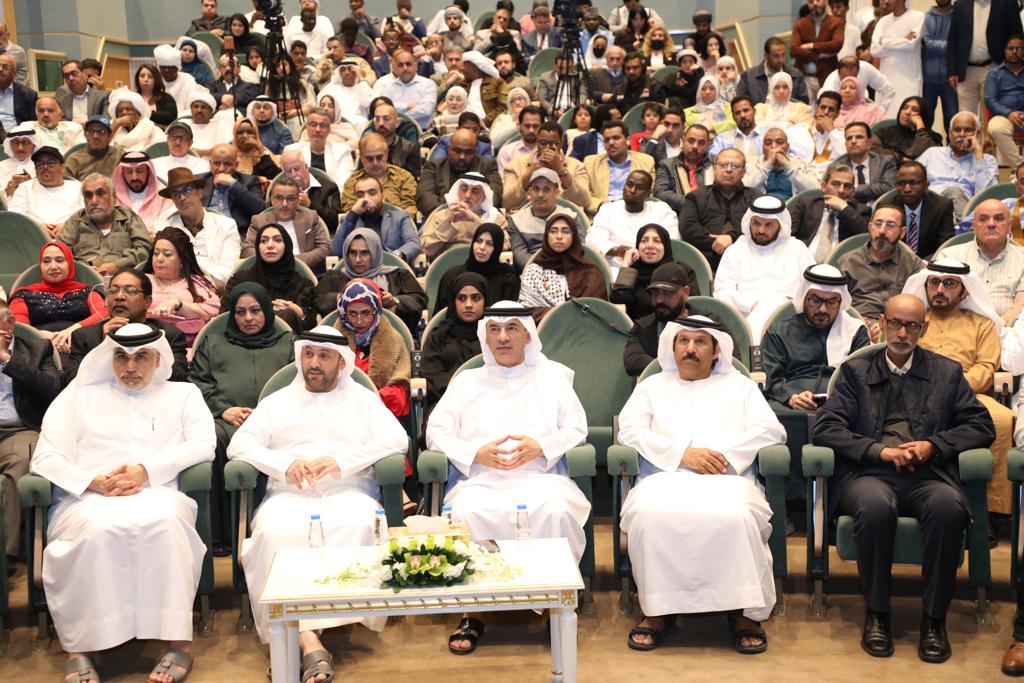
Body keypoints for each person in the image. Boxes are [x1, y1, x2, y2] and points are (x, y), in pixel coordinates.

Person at [810, 293, 996, 663]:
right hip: (870, 473)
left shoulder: (946, 372)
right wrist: (878, 451)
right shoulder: (855, 371)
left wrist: (933, 445)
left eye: (912, 325)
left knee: (948, 508)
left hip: (929, 473)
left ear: (923, 329)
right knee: (875, 507)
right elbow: (825, 427)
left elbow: (981, 424)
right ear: (881, 323)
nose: (902, 333)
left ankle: (933, 619)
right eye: (895, 323)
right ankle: (877, 613)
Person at [31, 323, 213, 683]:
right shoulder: (79, 396)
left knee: (166, 526)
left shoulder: (183, 395)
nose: (130, 367)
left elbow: (204, 444)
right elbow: (45, 457)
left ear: (157, 359)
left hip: (157, 493)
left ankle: (179, 644)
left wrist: (147, 471)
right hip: (86, 499)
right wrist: (93, 482)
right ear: (108, 358)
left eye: (141, 358)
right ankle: (79, 648)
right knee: (97, 532)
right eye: (121, 357)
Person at [227, 326, 407, 671]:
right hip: (289, 494)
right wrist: (284, 464)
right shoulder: (277, 402)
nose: (314, 363)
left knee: (355, 524)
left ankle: (302, 636)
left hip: (348, 491)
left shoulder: (362, 400)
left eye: (324, 356)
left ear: (342, 362)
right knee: (273, 534)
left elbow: (397, 440)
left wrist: (343, 463)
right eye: (308, 354)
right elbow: (240, 445)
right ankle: (311, 640)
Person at [427, 301, 591, 654]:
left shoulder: (552, 377)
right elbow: (436, 432)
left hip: (540, 478)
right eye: (494, 330)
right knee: (466, 514)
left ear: (528, 335)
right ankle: (474, 612)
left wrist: (541, 446)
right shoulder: (467, 381)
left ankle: (553, 607)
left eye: (512, 328)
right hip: (480, 480)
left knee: (555, 512)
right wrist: (474, 453)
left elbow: (577, 428)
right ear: (485, 336)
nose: (502, 337)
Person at [619, 315, 784, 653]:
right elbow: (630, 431)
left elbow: (771, 430)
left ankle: (745, 612)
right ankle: (658, 611)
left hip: (728, 480)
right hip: (663, 479)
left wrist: (723, 458)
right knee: (649, 515)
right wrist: (681, 454)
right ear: (672, 347)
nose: (690, 349)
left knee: (738, 516)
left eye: (700, 342)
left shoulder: (741, 387)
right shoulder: (651, 387)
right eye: (683, 341)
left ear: (716, 351)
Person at [188, 281, 294, 552]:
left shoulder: (287, 344)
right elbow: (198, 384)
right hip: (228, 420)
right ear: (231, 315)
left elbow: (297, 384)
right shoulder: (214, 343)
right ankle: (223, 535)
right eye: (240, 312)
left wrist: (268, 413)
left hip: (275, 420)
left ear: (267, 311)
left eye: (255, 310)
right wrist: (223, 409)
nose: (248, 318)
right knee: (213, 438)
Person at [903, 258, 1014, 516]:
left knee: (1001, 420)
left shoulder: (982, 324)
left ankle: (990, 512)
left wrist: (952, 387)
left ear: (964, 291)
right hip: (914, 391)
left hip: (969, 394)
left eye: (949, 283)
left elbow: (987, 367)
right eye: (934, 283)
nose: (940, 289)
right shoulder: (912, 321)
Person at [762, 265, 870, 507]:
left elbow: (862, 377)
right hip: (791, 402)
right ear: (804, 297)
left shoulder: (855, 331)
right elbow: (773, 379)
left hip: (841, 400)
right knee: (776, 419)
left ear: (841, 302)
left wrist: (838, 398)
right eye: (815, 300)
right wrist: (791, 396)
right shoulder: (780, 331)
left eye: (832, 302)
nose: (822, 309)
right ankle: (792, 506)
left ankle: (839, 504)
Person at [0, 296, 60, 567]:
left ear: (9, 323)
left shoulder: (37, 349)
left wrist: (6, 359)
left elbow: (52, 391)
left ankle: (5, 555)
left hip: (18, 430)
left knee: (21, 460)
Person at [714, 195, 815, 343]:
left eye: (768, 225)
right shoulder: (735, 250)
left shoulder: (798, 249)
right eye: (756, 223)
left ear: (780, 225)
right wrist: (751, 304)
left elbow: (811, 288)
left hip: (790, 321)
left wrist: (786, 304)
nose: (761, 230)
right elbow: (722, 291)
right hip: (743, 318)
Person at [64, 268, 188, 384]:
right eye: (113, 291)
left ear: (147, 301)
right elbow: (71, 382)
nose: (119, 297)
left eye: (130, 291)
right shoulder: (84, 336)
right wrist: (105, 347)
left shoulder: (169, 335)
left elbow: (178, 379)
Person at [838, 204, 924, 342]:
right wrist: (857, 322)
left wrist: (889, 327)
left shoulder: (913, 264)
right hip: (854, 326)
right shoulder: (848, 261)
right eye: (878, 224)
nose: (882, 231)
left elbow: (918, 305)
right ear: (870, 227)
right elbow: (837, 302)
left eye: (890, 225)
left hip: (900, 329)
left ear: (902, 233)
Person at [315, 228, 426, 330]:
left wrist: (395, 301)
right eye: (353, 253)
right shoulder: (333, 277)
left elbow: (419, 301)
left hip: (390, 339)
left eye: (365, 253)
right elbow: (316, 301)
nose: (358, 259)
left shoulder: (398, 275)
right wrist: (340, 298)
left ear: (375, 252)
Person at [936, 199, 1024, 326]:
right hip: (957, 330)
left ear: (1010, 225)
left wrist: (992, 332)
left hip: (1009, 332)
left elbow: (1019, 307)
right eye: (983, 219)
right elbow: (942, 303)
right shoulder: (949, 256)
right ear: (973, 225)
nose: (991, 224)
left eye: (999, 218)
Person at [7, 241, 108, 351]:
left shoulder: (88, 291)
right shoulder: (23, 293)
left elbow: (103, 314)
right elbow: (19, 327)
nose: (53, 266)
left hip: (81, 346)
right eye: (46, 261)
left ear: (69, 263)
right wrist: (44, 336)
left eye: (59, 260)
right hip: (38, 348)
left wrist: (71, 331)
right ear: (41, 266)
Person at [333, 278, 412, 419]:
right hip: (337, 414)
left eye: (366, 313)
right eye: (352, 313)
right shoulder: (332, 340)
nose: (359, 321)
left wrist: (368, 401)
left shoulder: (394, 340)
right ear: (343, 313)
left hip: (380, 415)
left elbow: (401, 393)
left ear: (376, 311)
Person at [226, 223, 317, 332]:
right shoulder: (239, 281)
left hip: (288, 345)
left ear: (287, 245)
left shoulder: (303, 284)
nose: (270, 245)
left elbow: (311, 326)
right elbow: (224, 318)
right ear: (257, 247)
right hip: (244, 342)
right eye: (263, 241)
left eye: (277, 240)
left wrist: (297, 311)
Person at [161, 167, 241, 287]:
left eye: (187, 190)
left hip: (215, 288)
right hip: (176, 287)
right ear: (172, 200)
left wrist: (203, 284)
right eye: (175, 194)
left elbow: (227, 271)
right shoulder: (165, 227)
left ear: (199, 192)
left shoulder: (226, 225)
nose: (182, 197)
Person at [680, 148, 758, 270]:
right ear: (714, 169)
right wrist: (715, 243)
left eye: (735, 166)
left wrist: (732, 238)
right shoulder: (696, 196)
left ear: (743, 171)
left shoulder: (756, 198)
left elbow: (761, 228)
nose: (728, 170)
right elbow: (687, 228)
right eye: (723, 165)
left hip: (749, 260)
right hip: (705, 260)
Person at [519, 213, 607, 322]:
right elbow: (527, 310)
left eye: (565, 231)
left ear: (573, 236)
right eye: (553, 231)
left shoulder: (590, 271)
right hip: (543, 331)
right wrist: (559, 315)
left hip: (584, 332)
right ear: (546, 236)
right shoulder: (534, 270)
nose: (559, 236)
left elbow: (596, 309)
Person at [59, 173, 151, 275]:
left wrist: (117, 266)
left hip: (123, 279)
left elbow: (144, 249)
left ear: (114, 197)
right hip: (83, 280)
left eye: (100, 193)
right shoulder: (76, 220)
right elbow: (59, 253)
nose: (94, 201)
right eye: (88, 196)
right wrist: (84, 269)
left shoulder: (128, 217)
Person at [588, 170, 679, 272]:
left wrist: (645, 250)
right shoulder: (608, 209)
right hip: (616, 268)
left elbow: (674, 239)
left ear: (648, 194)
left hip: (655, 269)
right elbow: (594, 240)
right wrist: (620, 250)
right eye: (629, 185)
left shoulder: (662, 210)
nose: (632, 190)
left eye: (639, 188)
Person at [947, 0, 1023, 121]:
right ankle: (970, 141)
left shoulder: (1007, 3)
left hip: (995, 68)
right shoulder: (960, 4)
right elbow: (952, 39)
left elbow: (1017, 34)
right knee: (966, 118)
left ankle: (987, 141)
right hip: (966, 71)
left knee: (991, 118)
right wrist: (951, 71)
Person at [144, 227, 220, 347]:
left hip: (190, 345)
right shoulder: (142, 280)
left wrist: (180, 304)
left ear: (181, 260)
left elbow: (214, 311)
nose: (159, 259)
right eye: (156, 253)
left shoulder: (198, 282)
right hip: (147, 341)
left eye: (167, 254)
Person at [421, 271, 487, 404]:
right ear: (453, 301)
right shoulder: (439, 335)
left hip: (490, 401)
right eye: (462, 298)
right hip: (447, 401)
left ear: (486, 301)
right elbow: (431, 376)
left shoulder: (495, 335)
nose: (468, 304)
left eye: (475, 298)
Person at [917, 111, 997, 221]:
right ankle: (968, 230)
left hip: (966, 208)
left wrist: (978, 153)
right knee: (952, 192)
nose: (962, 134)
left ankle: (966, 228)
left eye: (968, 130)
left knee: (955, 193)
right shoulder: (932, 154)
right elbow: (911, 179)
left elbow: (987, 197)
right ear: (950, 134)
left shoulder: (987, 160)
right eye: (957, 130)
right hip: (931, 208)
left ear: (977, 134)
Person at [243, 175, 330, 274]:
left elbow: (324, 248)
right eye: (279, 198)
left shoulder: (310, 217)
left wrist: (294, 262)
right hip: (269, 273)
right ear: (272, 199)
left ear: (298, 201)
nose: (284, 204)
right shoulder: (259, 220)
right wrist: (273, 260)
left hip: (305, 274)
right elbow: (247, 250)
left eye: (290, 198)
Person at [610, 224, 696, 321]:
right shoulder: (631, 273)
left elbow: (693, 306)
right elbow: (618, 304)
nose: (650, 245)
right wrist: (625, 265)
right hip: (640, 331)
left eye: (657, 241)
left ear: (666, 246)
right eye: (644, 241)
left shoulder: (682, 270)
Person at [788, 163, 870, 261]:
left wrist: (843, 208)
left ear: (853, 191)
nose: (841, 190)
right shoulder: (805, 204)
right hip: (802, 261)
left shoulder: (861, 211)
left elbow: (866, 237)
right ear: (823, 186)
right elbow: (788, 236)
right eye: (835, 184)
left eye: (847, 186)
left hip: (839, 265)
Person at [433, 223, 520, 315]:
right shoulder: (452, 275)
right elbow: (440, 316)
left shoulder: (508, 279)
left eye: (489, 244)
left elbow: (508, 318)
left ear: (497, 248)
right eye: (479, 241)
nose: (482, 247)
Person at [503, 121, 591, 212]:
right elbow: (507, 203)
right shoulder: (514, 166)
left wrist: (560, 169)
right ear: (537, 142)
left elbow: (585, 201)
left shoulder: (577, 166)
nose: (547, 147)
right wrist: (528, 174)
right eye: (543, 143)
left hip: (563, 219)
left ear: (561, 143)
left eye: (553, 143)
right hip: (525, 220)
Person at [420, 171, 506, 261]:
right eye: (464, 189)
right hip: (448, 267)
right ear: (457, 192)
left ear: (484, 197)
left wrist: (475, 220)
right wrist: (447, 222)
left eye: (475, 191)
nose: (468, 195)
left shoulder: (495, 217)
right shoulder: (441, 216)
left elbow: (504, 246)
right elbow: (427, 250)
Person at [334, 175, 421, 263]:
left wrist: (396, 256)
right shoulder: (350, 221)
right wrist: (353, 213)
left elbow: (413, 243)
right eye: (360, 195)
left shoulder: (400, 218)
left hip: (392, 269)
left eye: (372, 193)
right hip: (360, 272)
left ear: (383, 198)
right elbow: (336, 250)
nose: (366, 199)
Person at [417, 127, 502, 217]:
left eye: (468, 152)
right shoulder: (434, 166)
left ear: (475, 152)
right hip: (442, 220)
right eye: (457, 151)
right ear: (449, 149)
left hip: (478, 220)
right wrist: (452, 214)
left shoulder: (487, 166)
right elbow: (424, 198)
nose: (462, 157)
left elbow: (494, 198)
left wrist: (468, 214)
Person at [9, 146, 84, 239]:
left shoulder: (78, 187)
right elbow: (15, 219)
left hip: (72, 239)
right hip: (33, 239)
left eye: (50, 163)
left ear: (63, 168)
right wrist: (35, 226)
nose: (45, 167)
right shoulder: (25, 188)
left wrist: (70, 226)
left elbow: (89, 218)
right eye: (40, 164)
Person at [582, 119, 655, 214]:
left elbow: (650, 194)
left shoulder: (646, 161)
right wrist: (602, 206)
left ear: (627, 140)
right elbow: (584, 197)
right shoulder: (591, 163)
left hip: (636, 211)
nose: (611, 143)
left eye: (616, 138)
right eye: (607, 140)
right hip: (603, 212)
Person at [870, 0, 925, 118]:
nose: (885, 1)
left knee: (908, 122)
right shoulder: (883, 22)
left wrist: (884, 41)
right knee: (885, 123)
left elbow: (911, 44)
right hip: (887, 81)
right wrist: (902, 40)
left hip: (909, 81)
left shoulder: (917, 17)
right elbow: (874, 50)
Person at [891, 159, 955, 259]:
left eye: (914, 182)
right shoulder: (888, 207)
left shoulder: (942, 206)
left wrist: (923, 264)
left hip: (929, 263)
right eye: (901, 183)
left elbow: (945, 247)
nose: (907, 189)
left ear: (926, 185)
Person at [340, 133, 417, 215]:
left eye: (379, 157)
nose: (375, 163)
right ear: (361, 158)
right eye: (369, 159)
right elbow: (350, 213)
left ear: (386, 155)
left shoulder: (404, 177)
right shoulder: (352, 182)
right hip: (363, 226)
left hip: (397, 225)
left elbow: (409, 209)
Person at [201, 143, 266, 236]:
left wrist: (233, 184)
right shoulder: (199, 182)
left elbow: (260, 209)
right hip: (206, 234)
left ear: (236, 165)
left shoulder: (250, 181)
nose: (221, 169)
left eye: (227, 164)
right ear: (210, 164)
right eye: (217, 163)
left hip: (238, 235)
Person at [369, 48, 438, 130]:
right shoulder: (387, 86)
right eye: (400, 65)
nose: (405, 68)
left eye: (408, 64)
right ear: (395, 68)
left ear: (416, 66)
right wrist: (406, 106)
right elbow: (383, 108)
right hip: (392, 131)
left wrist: (397, 118)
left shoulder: (428, 84)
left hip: (422, 131)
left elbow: (426, 110)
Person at [745, 128, 819, 202]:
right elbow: (742, 191)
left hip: (792, 210)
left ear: (787, 147)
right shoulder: (752, 165)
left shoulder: (803, 164)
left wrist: (787, 165)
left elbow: (816, 191)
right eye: (768, 143)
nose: (774, 146)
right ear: (763, 148)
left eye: (779, 142)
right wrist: (768, 165)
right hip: (760, 210)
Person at [984, 33, 1024, 170]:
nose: (1014, 51)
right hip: (1003, 116)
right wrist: (1009, 113)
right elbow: (990, 100)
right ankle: (1020, 168)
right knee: (997, 128)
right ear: (1005, 51)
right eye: (1011, 48)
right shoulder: (994, 74)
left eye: (1019, 49)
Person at [790, 0, 845, 99]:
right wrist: (819, 55)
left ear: (826, 1)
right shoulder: (800, 24)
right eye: (811, 1)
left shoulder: (836, 22)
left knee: (827, 108)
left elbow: (837, 44)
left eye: (818, 0)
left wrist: (812, 46)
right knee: (806, 110)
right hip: (805, 78)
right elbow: (793, 50)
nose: (815, 4)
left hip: (827, 76)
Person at [836, 122, 897, 205]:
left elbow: (889, 188)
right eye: (849, 138)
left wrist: (854, 188)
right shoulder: (838, 167)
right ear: (846, 145)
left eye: (859, 137)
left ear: (869, 143)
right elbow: (836, 193)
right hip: (848, 210)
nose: (853, 141)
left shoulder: (885, 162)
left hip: (879, 209)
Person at [112, 151, 173, 233]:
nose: (134, 177)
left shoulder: (163, 196)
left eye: (140, 171)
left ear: (149, 171)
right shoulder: (113, 199)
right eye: (129, 172)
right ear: (122, 173)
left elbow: (168, 227)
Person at [736, 37, 809, 105]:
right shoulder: (749, 77)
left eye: (783, 55)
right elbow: (742, 104)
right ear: (766, 56)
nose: (781, 60)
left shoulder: (795, 75)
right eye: (776, 56)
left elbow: (803, 103)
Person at [820, 55, 898, 116]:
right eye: (844, 77)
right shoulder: (831, 83)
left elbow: (888, 89)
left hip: (864, 110)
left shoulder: (866, 68)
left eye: (852, 77)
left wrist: (880, 111)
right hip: (839, 115)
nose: (848, 81)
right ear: (838, 73)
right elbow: (826, 111)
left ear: (858, 72)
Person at [920, 0, 956, 133]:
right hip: (928, 78)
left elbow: (959, 42)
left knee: (952, 120)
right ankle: (925, 150)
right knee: (926, 120)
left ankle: (953, 151)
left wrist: (938, 45)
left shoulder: (958, 15)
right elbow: (927, 43)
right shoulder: (926, 17)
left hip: (951, 79)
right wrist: (950, 45)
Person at [872, 96, 942, 163]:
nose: (907, 112)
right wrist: (899, 158)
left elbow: (925, 156)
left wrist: (920, 127)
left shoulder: (932, 139)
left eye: (914, 110)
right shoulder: (885, 131)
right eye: (905, 107)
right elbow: (871, 148)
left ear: (922, 115)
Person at [371, 101, 424, 179]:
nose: (381, 123)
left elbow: (413, 181)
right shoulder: (368, 148)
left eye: (386, 118)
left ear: (397, 123)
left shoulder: (409, 148)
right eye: (377, 119)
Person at [106, 88, 166, 153]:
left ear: (139, 113)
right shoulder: (113, 127)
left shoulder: (151, 129)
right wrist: (116, 125)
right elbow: (99, 149)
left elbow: (161, 151)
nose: (124, 112)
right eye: (120, 111)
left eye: (128, 109)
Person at [707, 95, 765, 161]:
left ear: (754, 111)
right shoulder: (722, 139)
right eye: (737, 113)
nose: (742, 115)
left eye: (746, 110)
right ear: (733, 116)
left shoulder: (766, 136)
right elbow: (716, 160)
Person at [57, 59, 109, 125]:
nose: (71, 78)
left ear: (84, 74)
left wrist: (87, 124)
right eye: (66, 76)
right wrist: (73, 125)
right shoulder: (61, 100)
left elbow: (106, 120)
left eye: (74, 73)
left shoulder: (102, 96)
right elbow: (59, 121)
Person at [233, 116, 282, 181]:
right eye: (240, 133)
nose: (245, 136)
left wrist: (259, 148)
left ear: (256, 134)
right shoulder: (230, 154)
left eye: (250, 133)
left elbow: (277, 177)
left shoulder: (261, 151)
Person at [153, 44, 197, 112]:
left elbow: (192, 104)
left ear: (177, 68)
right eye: (163, 67)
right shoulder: (155, 81)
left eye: (170, 67)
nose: (166, 70)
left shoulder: (188, 80)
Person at [133, 63, 177, 128]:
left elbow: (171, 117)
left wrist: (148, 114)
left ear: (156, 79)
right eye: (142, 76)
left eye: (150, 77)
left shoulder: (166, 97)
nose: (145, 79)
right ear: (137, 79)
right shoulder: (133, 97)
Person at [0, 54, 36, 131]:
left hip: (14, 137)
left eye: (6, 67)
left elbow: (33, 124)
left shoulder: (29, 95)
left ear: (14, 72)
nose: (0, 69)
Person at [0, 124, 35, 201]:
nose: (20, 148)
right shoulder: (1, 166)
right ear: (10, 145)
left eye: (25, 142)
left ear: (33, 145)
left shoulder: (42, 166)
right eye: (16, 142)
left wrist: (31, 184)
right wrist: (6, 192)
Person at [0, 21, 27, 87]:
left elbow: (4, 75)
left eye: (0, 34)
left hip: (16, 94)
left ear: (8, 35)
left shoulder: (17, 51)